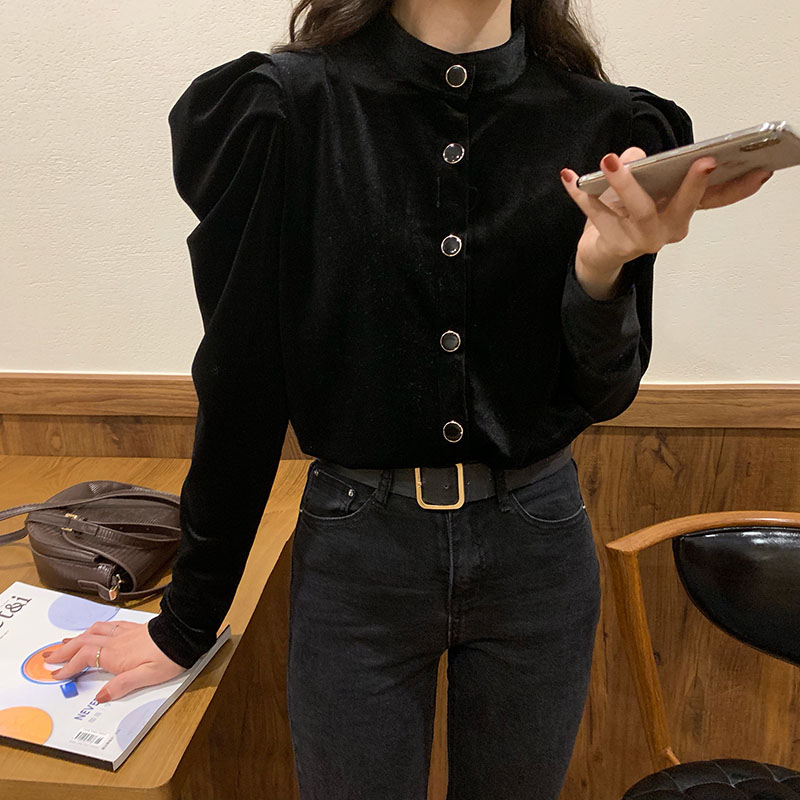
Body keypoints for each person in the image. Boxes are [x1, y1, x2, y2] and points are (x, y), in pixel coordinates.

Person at [41, 0, 773, 797]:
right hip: (358, 551)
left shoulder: (607, 127)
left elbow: (605, 390)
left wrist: (600, 273)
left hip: (539, 549)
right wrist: (186, 622)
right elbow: (241, 377)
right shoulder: (285, 111)